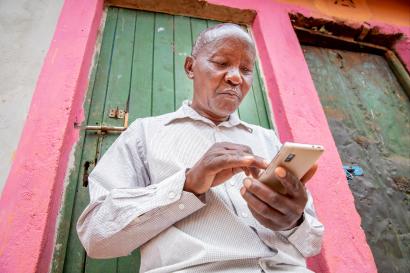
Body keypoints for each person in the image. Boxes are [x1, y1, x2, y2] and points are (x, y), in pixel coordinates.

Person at [77, 23, 324, 273]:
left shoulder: (269, 140)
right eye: (221, 63)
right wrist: (187, 185)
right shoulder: (144, 134)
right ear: (190, 67)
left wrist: (295, 221)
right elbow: (96, 238)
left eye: (246, 69)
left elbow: (313, 244)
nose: (236, 77)